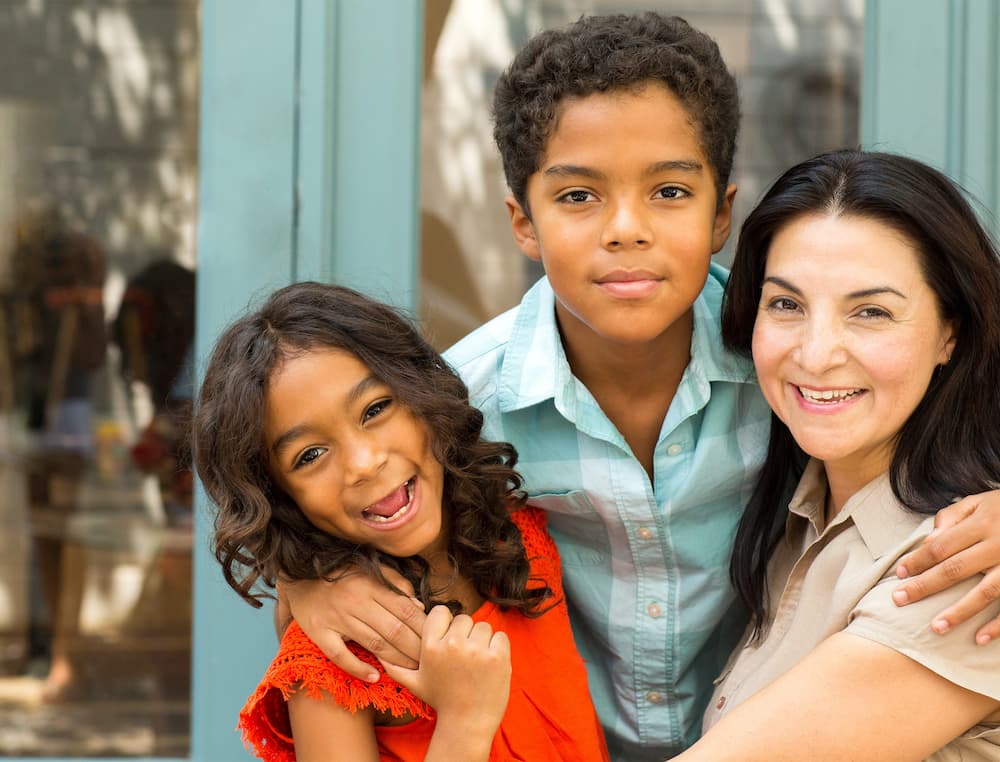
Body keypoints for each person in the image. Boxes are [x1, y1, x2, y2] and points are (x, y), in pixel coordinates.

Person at [282, 13, 1000, 760]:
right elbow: (344, 510)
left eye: (668, 191)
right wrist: (311, 581)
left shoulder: (791, 375)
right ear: (522, 223)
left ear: (723, 212)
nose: (625, 229)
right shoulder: (460, 406)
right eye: (577, 197)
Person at [192, 282, 609, 761]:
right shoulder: (336, 664)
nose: (364, 462)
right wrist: (464, 721)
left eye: (375, 409)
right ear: (278, 496)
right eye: (310, 455)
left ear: (421, 394)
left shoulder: (514, 530)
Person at [676, 149, 1000, 760]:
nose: (817, 353)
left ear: (949, 334)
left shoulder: (964, 559)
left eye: (871, 311)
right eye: (787, 304)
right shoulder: (799, 514)